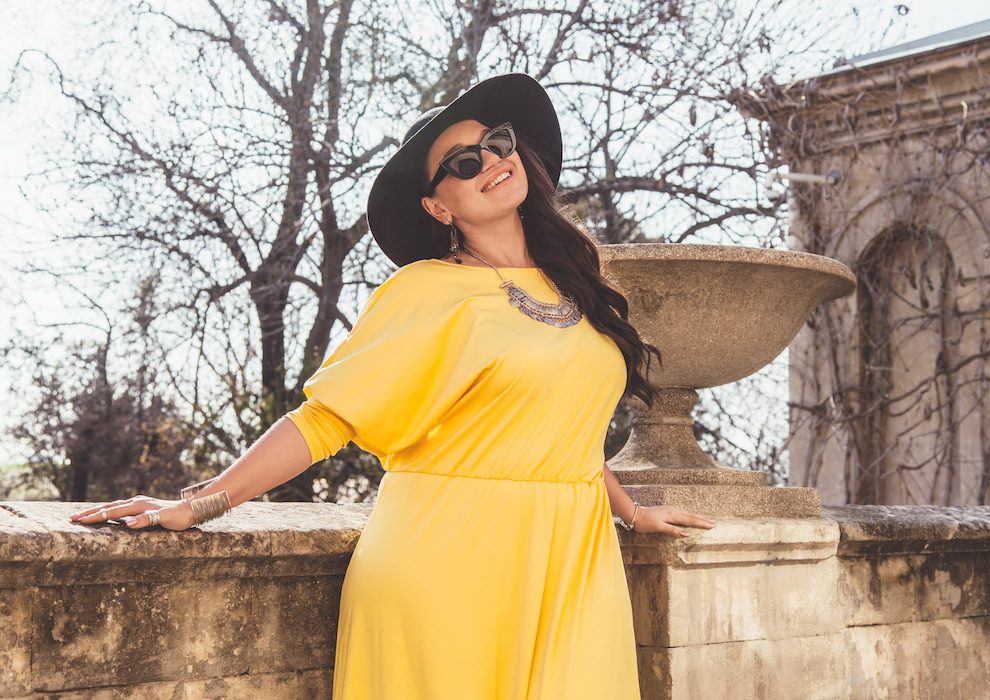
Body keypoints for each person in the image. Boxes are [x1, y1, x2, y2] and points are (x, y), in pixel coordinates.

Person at [69, 73, 716, 699]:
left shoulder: (577, 285)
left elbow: (559, 431)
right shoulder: (426, 291)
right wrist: (202, 502)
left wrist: (631, 511)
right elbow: (326, 419)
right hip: (447, 561)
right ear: (438, 205)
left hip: (571, 560)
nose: (490, 159)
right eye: (463, 162)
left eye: (497, 141)